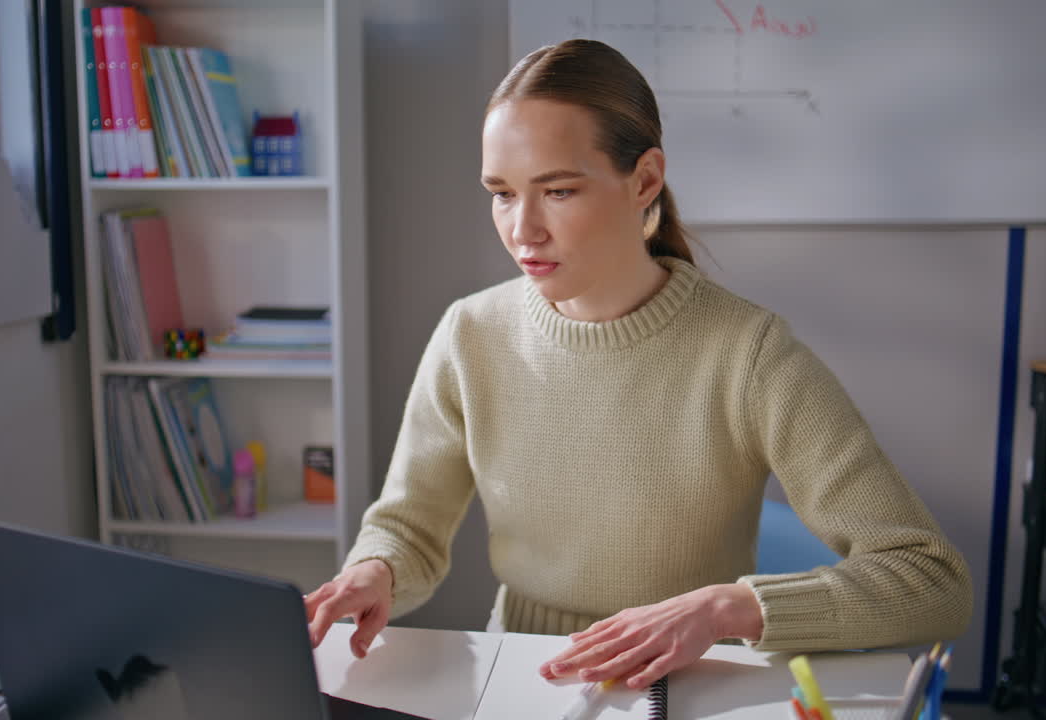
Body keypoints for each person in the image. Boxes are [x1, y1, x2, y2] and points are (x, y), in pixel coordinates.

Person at [304, 38, 973, 690]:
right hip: (522, 675)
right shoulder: (470, 333)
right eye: (503, 193)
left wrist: (726, 609)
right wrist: (377, 571)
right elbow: (407, 527)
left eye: (558, 191)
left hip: (693, 683)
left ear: (645, 179)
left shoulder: (748, 354)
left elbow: (931, 581)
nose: (523, 229)